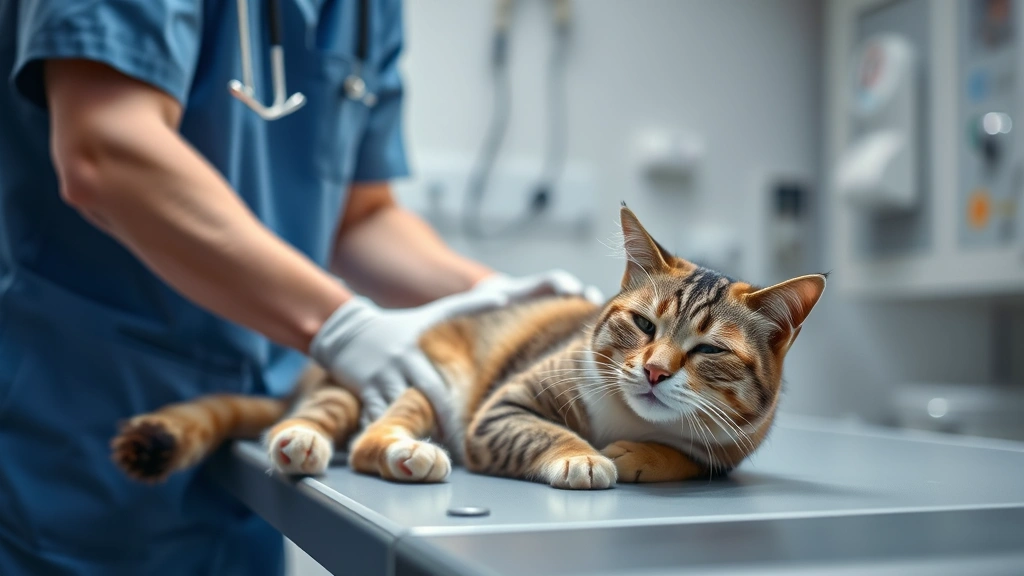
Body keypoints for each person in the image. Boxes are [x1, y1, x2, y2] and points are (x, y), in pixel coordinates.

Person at [0, 1, 599, 574]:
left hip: (251, 460)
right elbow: (105, 149)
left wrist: (506, 304)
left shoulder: (367, 9)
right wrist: (342, 324)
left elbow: (358, 216)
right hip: (75, 431)